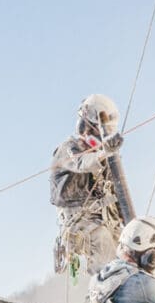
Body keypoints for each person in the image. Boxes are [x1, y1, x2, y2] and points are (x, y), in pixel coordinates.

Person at [50, 93, 132, 276]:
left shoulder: (103, 156)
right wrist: (104, 154)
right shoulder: (68, 149)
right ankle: (103, 291)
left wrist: (130, 226)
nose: (95, 136)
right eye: (95, 131)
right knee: (106, 251)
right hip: (81, 223)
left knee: (131, 251)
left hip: (105, 220)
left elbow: (115, 191)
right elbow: (81, 163)